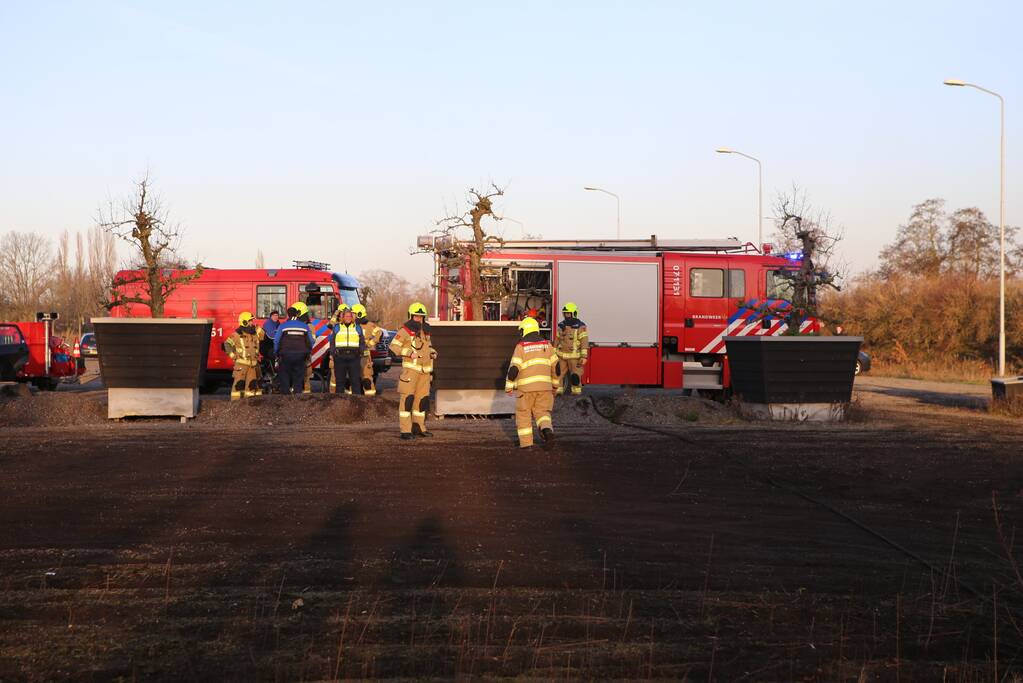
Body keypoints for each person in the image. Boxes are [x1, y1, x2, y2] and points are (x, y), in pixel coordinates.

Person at [505, 317, 560, 448]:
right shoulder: (548, 345)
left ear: (525, 330)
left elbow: (514, 369)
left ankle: (527, 444)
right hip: (545, 389)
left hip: (525, 390)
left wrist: (509, 387)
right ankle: (547, 431)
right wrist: (555, 386)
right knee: (543, 414)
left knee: (524, 415)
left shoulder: (521, 347)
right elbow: (556, 368)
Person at [389, 301, 437, 439]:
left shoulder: (425, 332)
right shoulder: (404, 331)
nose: (419, 319)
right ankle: (405, 431)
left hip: (425, 373)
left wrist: (433, 352)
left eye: (421, 317)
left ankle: (419, 427)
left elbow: (427, 347)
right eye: (416, 316)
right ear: (411, 316)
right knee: (407, 401)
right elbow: (393, 348)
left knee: (422, 402)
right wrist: (409, 352)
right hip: (410, 373)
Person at [273, 305, 315, 394]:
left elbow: (276, 341)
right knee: (298, 380)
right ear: (297, 314)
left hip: (285, 356)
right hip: (300, 356)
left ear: (288, 315)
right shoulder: (304, 326)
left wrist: (276, 352)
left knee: (285, 378)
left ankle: (285, 400)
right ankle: (297, 400)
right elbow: (311, 341)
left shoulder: (283, 326)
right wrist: (308, 352)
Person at [224, 311, 264, 400]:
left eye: (252, 321)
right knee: (238, 386)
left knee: (251, 387)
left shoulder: (255, 333)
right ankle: (235, 405)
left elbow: (262, 336)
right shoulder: (237, 334)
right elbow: (227, 344)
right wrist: (233, 356)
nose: (251, 323)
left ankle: (248, 406)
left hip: (253, 365)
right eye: (250, 321)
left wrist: (257, 328)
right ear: (244, 322)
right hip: (241, 366)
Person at [555, 301, 589, 396]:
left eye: (569, 313)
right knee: (559, 374)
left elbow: (584, 342)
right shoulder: (561, 326)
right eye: (565, 313)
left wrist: (584, 356)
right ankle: (558, 391)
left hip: (574, 357)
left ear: (574, 313)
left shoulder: (581, 327)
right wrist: (554, 351)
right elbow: (557, 339)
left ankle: (576, 392)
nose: (567, 315)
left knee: (575, 375)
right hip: (561, 356)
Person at [329, 307, 365, 395]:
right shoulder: (337, 327)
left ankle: (357, 403)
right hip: (340, 358)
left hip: (354, 358)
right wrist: (332, 353)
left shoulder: (357, 327)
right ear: (342, 317)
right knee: (340, 382)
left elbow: (362, 342)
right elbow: (332, 341)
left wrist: (360, 352)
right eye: (346, 316)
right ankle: (339, 402)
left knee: (355, 381)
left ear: (352, 317)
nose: (348, 318)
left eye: (350, 316)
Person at [352, 303, 383, 396]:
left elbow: (379, 333)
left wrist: (370, 343)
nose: (351, 315)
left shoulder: (369, 325)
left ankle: (370, 401)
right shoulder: (350, 325)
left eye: (354, 313)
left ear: (359, 314)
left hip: (364, 356)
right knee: (351, 379)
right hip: (352, 355)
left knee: (367, 379)